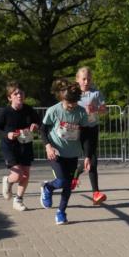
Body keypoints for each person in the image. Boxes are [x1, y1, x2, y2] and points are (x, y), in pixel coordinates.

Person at [40, 80, 91, 225]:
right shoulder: (54, 110)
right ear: (62, 98)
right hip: (56, 152)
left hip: (72, 153)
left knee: (68, 185)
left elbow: (86, 136)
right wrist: (48, 146)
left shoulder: (81, 113)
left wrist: (87, 155)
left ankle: (61, 212)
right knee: (62, 181)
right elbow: (42, 130)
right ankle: (48, 187)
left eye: (74, 103)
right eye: (69, 103)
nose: (72, 106)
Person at [0, 82, 41, 211]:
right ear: (10, 97)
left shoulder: (29, 109)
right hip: (10, 146)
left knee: (26, 174)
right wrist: (7, 134)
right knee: (18, 175)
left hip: (26, 144)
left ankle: (18, 200)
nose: (19, 95)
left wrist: (35, 125)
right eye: (16, 94)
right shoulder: (5, 112)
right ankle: (7, 181)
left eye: (21, 93)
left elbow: (38, 122)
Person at [73, 67, 108, 205]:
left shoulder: (96, 93)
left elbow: (105, 110)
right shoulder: (74, 93)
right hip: (78, 129)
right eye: (83, 79)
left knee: (92, 159)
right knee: (89, 158)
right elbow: (68, 107)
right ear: (77, 79)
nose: (86, 81)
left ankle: (95, 192)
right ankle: (93, 190)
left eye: (88, 78)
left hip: (92, 128)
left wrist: (96, 109)